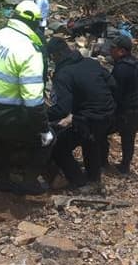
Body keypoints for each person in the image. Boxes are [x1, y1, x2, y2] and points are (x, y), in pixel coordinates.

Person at [0, 0, 50, 194]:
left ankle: (2, 178)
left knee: (2, 139)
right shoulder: (29, 51)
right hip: (2, 115)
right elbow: (33, 102)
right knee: (46, 140)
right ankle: (29, 184)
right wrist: (44, 129)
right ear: (34, 24)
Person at [47, 37, 116, 188]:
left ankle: (78, 181)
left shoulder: (63, 74)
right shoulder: (90, 62)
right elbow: (112, 83)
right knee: (91, 141)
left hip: (89, 117)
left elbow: (62, 108)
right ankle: (93, 178)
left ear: (55, 56)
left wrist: (42, 115)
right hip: (109, 114)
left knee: (59, 147)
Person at [107, 35, 138, 174]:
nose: (110, 51)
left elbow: (115, 93)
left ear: (121, 51)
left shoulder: (122, 68)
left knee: (100, 131)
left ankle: (101, 164)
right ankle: (125, 166)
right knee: (128, 137)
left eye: (113, 48)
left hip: (130, 112)